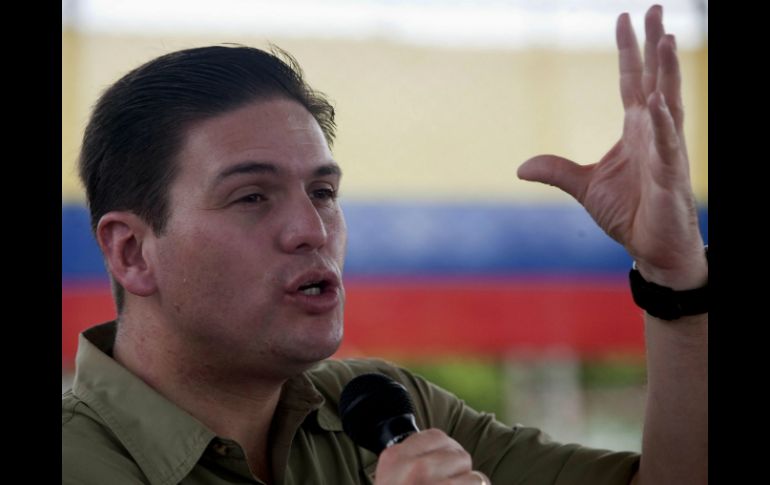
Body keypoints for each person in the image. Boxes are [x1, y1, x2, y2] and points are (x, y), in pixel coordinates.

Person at [62, 4, 707, 484]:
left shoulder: (380, 405)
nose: (312, 230)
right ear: (131, 252)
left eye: (322, 192)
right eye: (252, 197)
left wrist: (673, 273)